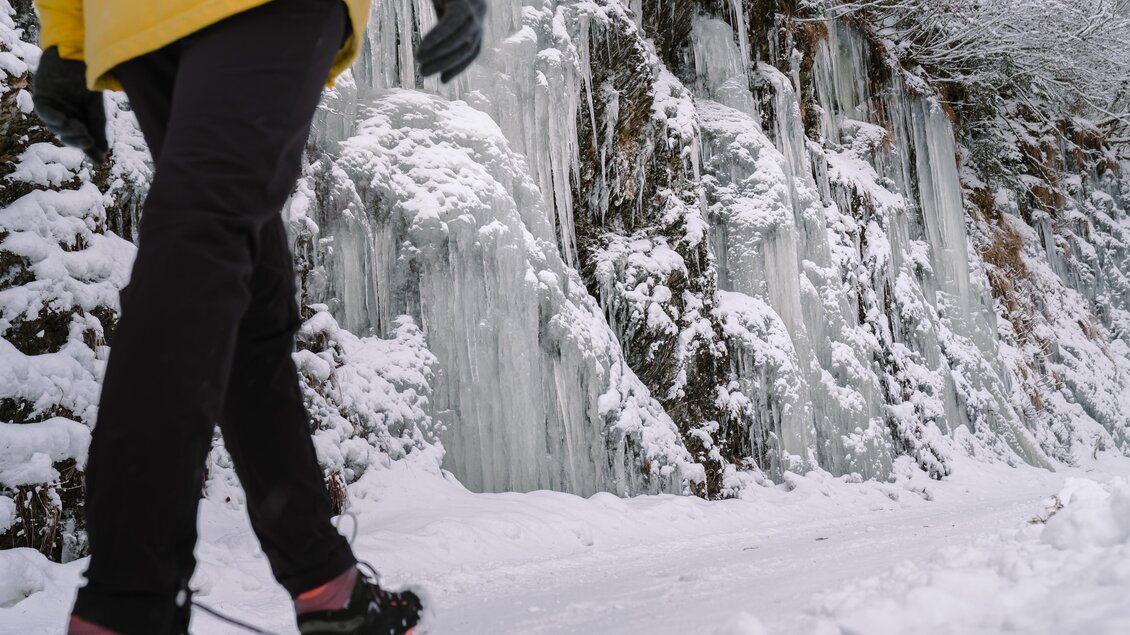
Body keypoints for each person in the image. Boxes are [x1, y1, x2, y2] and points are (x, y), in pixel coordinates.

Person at [30, 0, 488, 633]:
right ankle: (127, 602)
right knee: (203, 248)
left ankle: (325, 583)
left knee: (240, 286)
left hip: (134, 19)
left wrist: (65, 37)